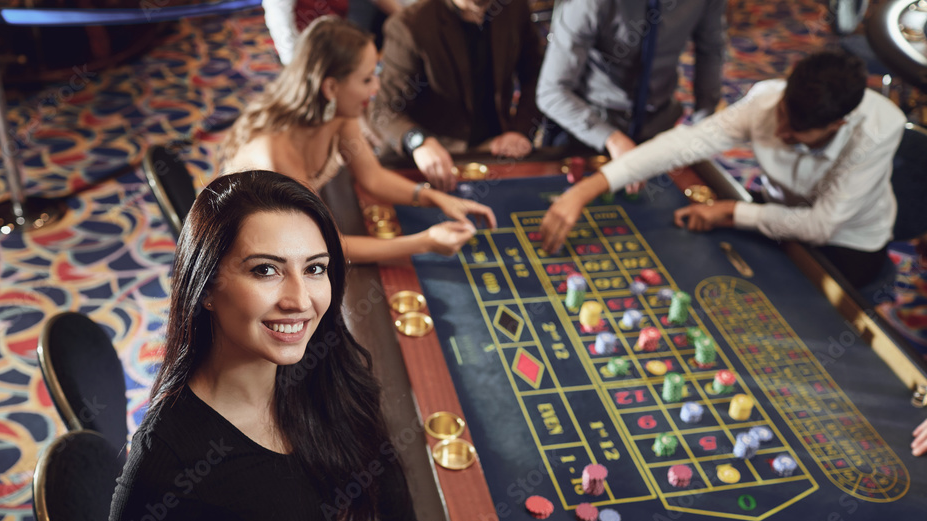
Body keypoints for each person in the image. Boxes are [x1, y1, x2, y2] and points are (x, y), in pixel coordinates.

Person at [109, 170, 481, 521]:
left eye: (315, 268)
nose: (300, 300)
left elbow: (373, 453)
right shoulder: (169, 449)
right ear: (206, 286)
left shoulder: (318, 363)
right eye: (265, 270)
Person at [540, 50, 907, 289]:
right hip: (775, 209)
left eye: (794, 133)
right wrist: (585, 189)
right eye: (782, 116)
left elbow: (821, 226)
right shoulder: (767, 101)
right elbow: (682, 144)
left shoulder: (877, 130)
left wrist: (731, 211)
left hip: (848, 242)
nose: (779, 132)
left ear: (836, 125)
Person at [220, 17, 497, 264]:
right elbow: (325, 246)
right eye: (366, 80)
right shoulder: (277, 152)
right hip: (241, 248)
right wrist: (425, 243)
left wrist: (437, 198)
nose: (376, 88)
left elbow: (373, 177)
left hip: (285, 234)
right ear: (330, 87)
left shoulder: (338, 113)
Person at [369, 0, 543, 191]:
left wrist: (520, 131)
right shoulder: (409, 25)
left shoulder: (513, 7)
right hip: (431, 157)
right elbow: (384, 110)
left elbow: (535, 75)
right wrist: (419, 142)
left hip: (495, 149)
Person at [536, 0, 727, 160]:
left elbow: (710, 52)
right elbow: (551, 91)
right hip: (591, 124)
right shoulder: (588, 3)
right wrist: (610, 138)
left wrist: (704, 120)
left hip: (659, 121)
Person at [264, 0, 407, 65]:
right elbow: (279, 18)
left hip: (338, 26)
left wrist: (408, 19)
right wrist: (293, 61)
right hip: (305, 43)